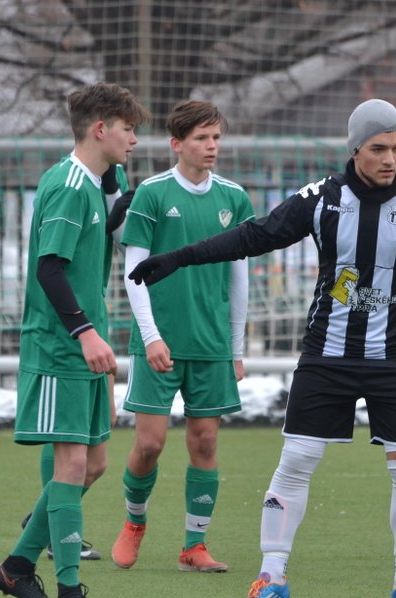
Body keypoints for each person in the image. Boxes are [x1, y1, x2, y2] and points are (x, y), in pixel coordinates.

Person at [128, 99, 396, 598]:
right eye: (378, 148)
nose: (390, 159)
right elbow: (254, 236)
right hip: (326, 357)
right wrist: (178, 258)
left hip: (394, 358)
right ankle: (271, 577)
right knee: (294, 463)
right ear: (355, 148)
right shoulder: (322, 199)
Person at [0, 83, 149, 598]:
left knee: (93, 465)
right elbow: (49, 268)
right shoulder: (66, 185)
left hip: (85, 347)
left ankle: (15, 567)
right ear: (101, 129)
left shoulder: (100, 180)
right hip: (60, 346)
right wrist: (84, 332)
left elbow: (117, 226)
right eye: (128, 128)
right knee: (72, 462)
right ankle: (69, 592)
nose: (134, 139)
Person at [110, 100, 254, 572]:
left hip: (211, 344)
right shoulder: (152, 193)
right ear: (177, 144)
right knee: (149, 444)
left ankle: (194, 546)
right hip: (161, 342)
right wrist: (150, 337)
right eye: (201, 138)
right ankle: (134, 523)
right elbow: (134, 271)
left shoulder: (234, 198)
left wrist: (235, 347)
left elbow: (239, 278)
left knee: (205, 443)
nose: (211, 146)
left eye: (216, 138)